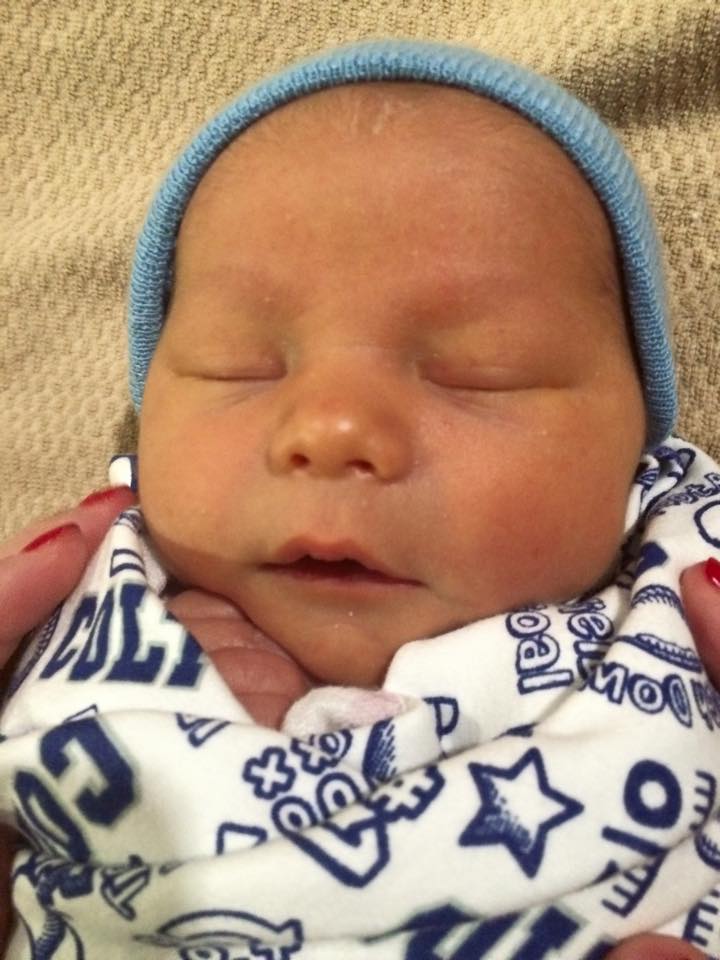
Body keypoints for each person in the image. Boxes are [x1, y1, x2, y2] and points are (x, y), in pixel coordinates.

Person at [2, 38, 720, 959]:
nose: (332, 427)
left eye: (481, 373)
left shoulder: (677, 586)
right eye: (239, 366)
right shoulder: (91, 610)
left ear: (635, 449)